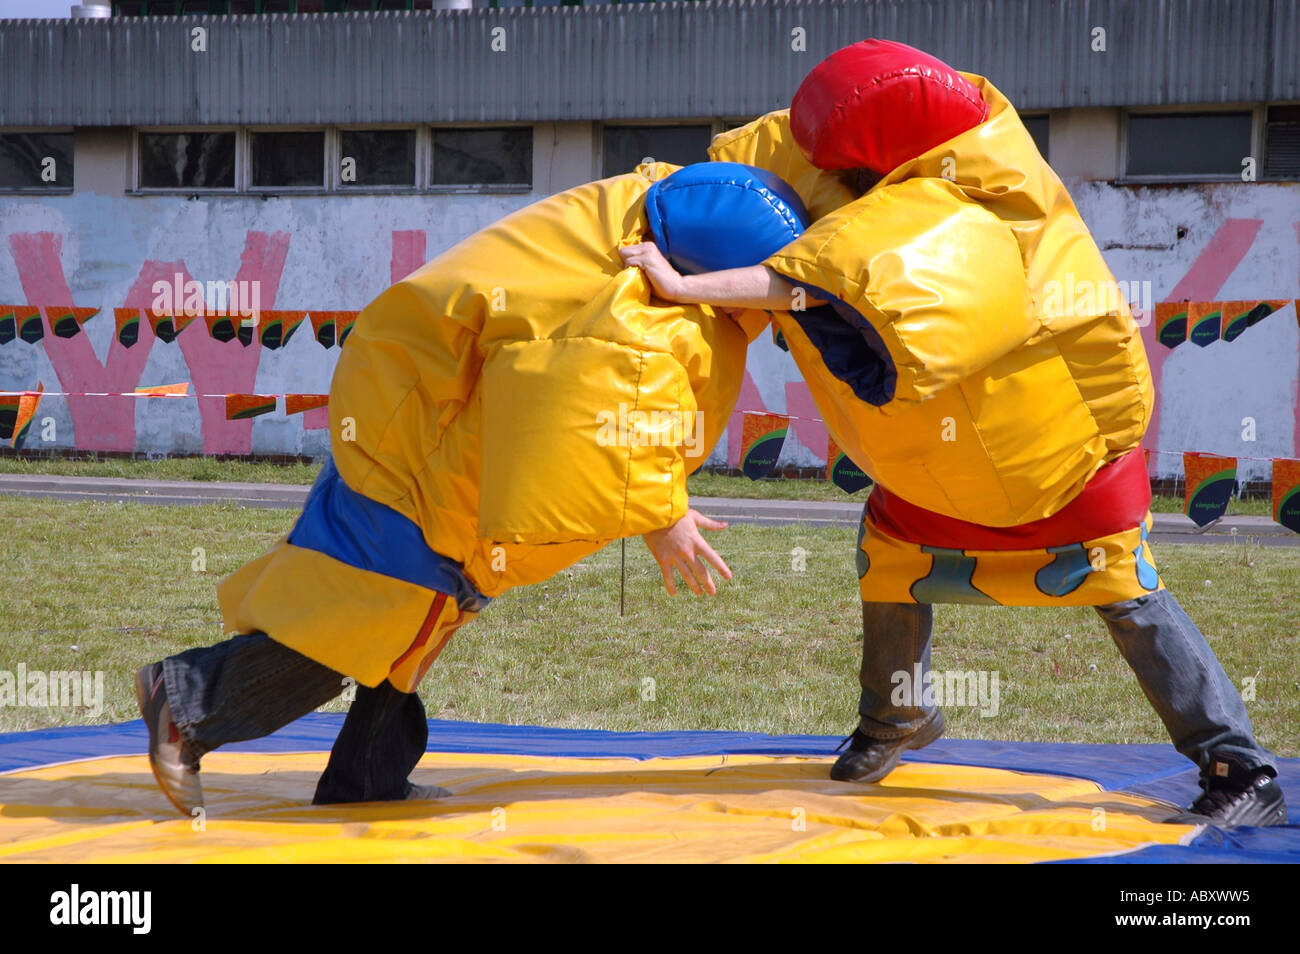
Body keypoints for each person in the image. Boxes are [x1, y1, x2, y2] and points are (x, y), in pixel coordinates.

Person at [620, 39, 1286, 828]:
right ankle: (896, 716)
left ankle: (1239, 765)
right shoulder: (827, 159)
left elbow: (819, 275)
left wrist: (685, 281)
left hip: (1053, 458)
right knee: (891, 560)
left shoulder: (975, 216)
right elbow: (724, 179)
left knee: (1123, 591)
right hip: (932, 466)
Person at [136, 161, 816, 815]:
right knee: (358, 628)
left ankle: (367, 778)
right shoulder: (638, 320)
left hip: (415, 442)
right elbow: (604, 417)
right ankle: (188, 702)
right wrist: (662, 516)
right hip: (423, 481)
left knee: (411, 636)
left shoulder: (629, 219)